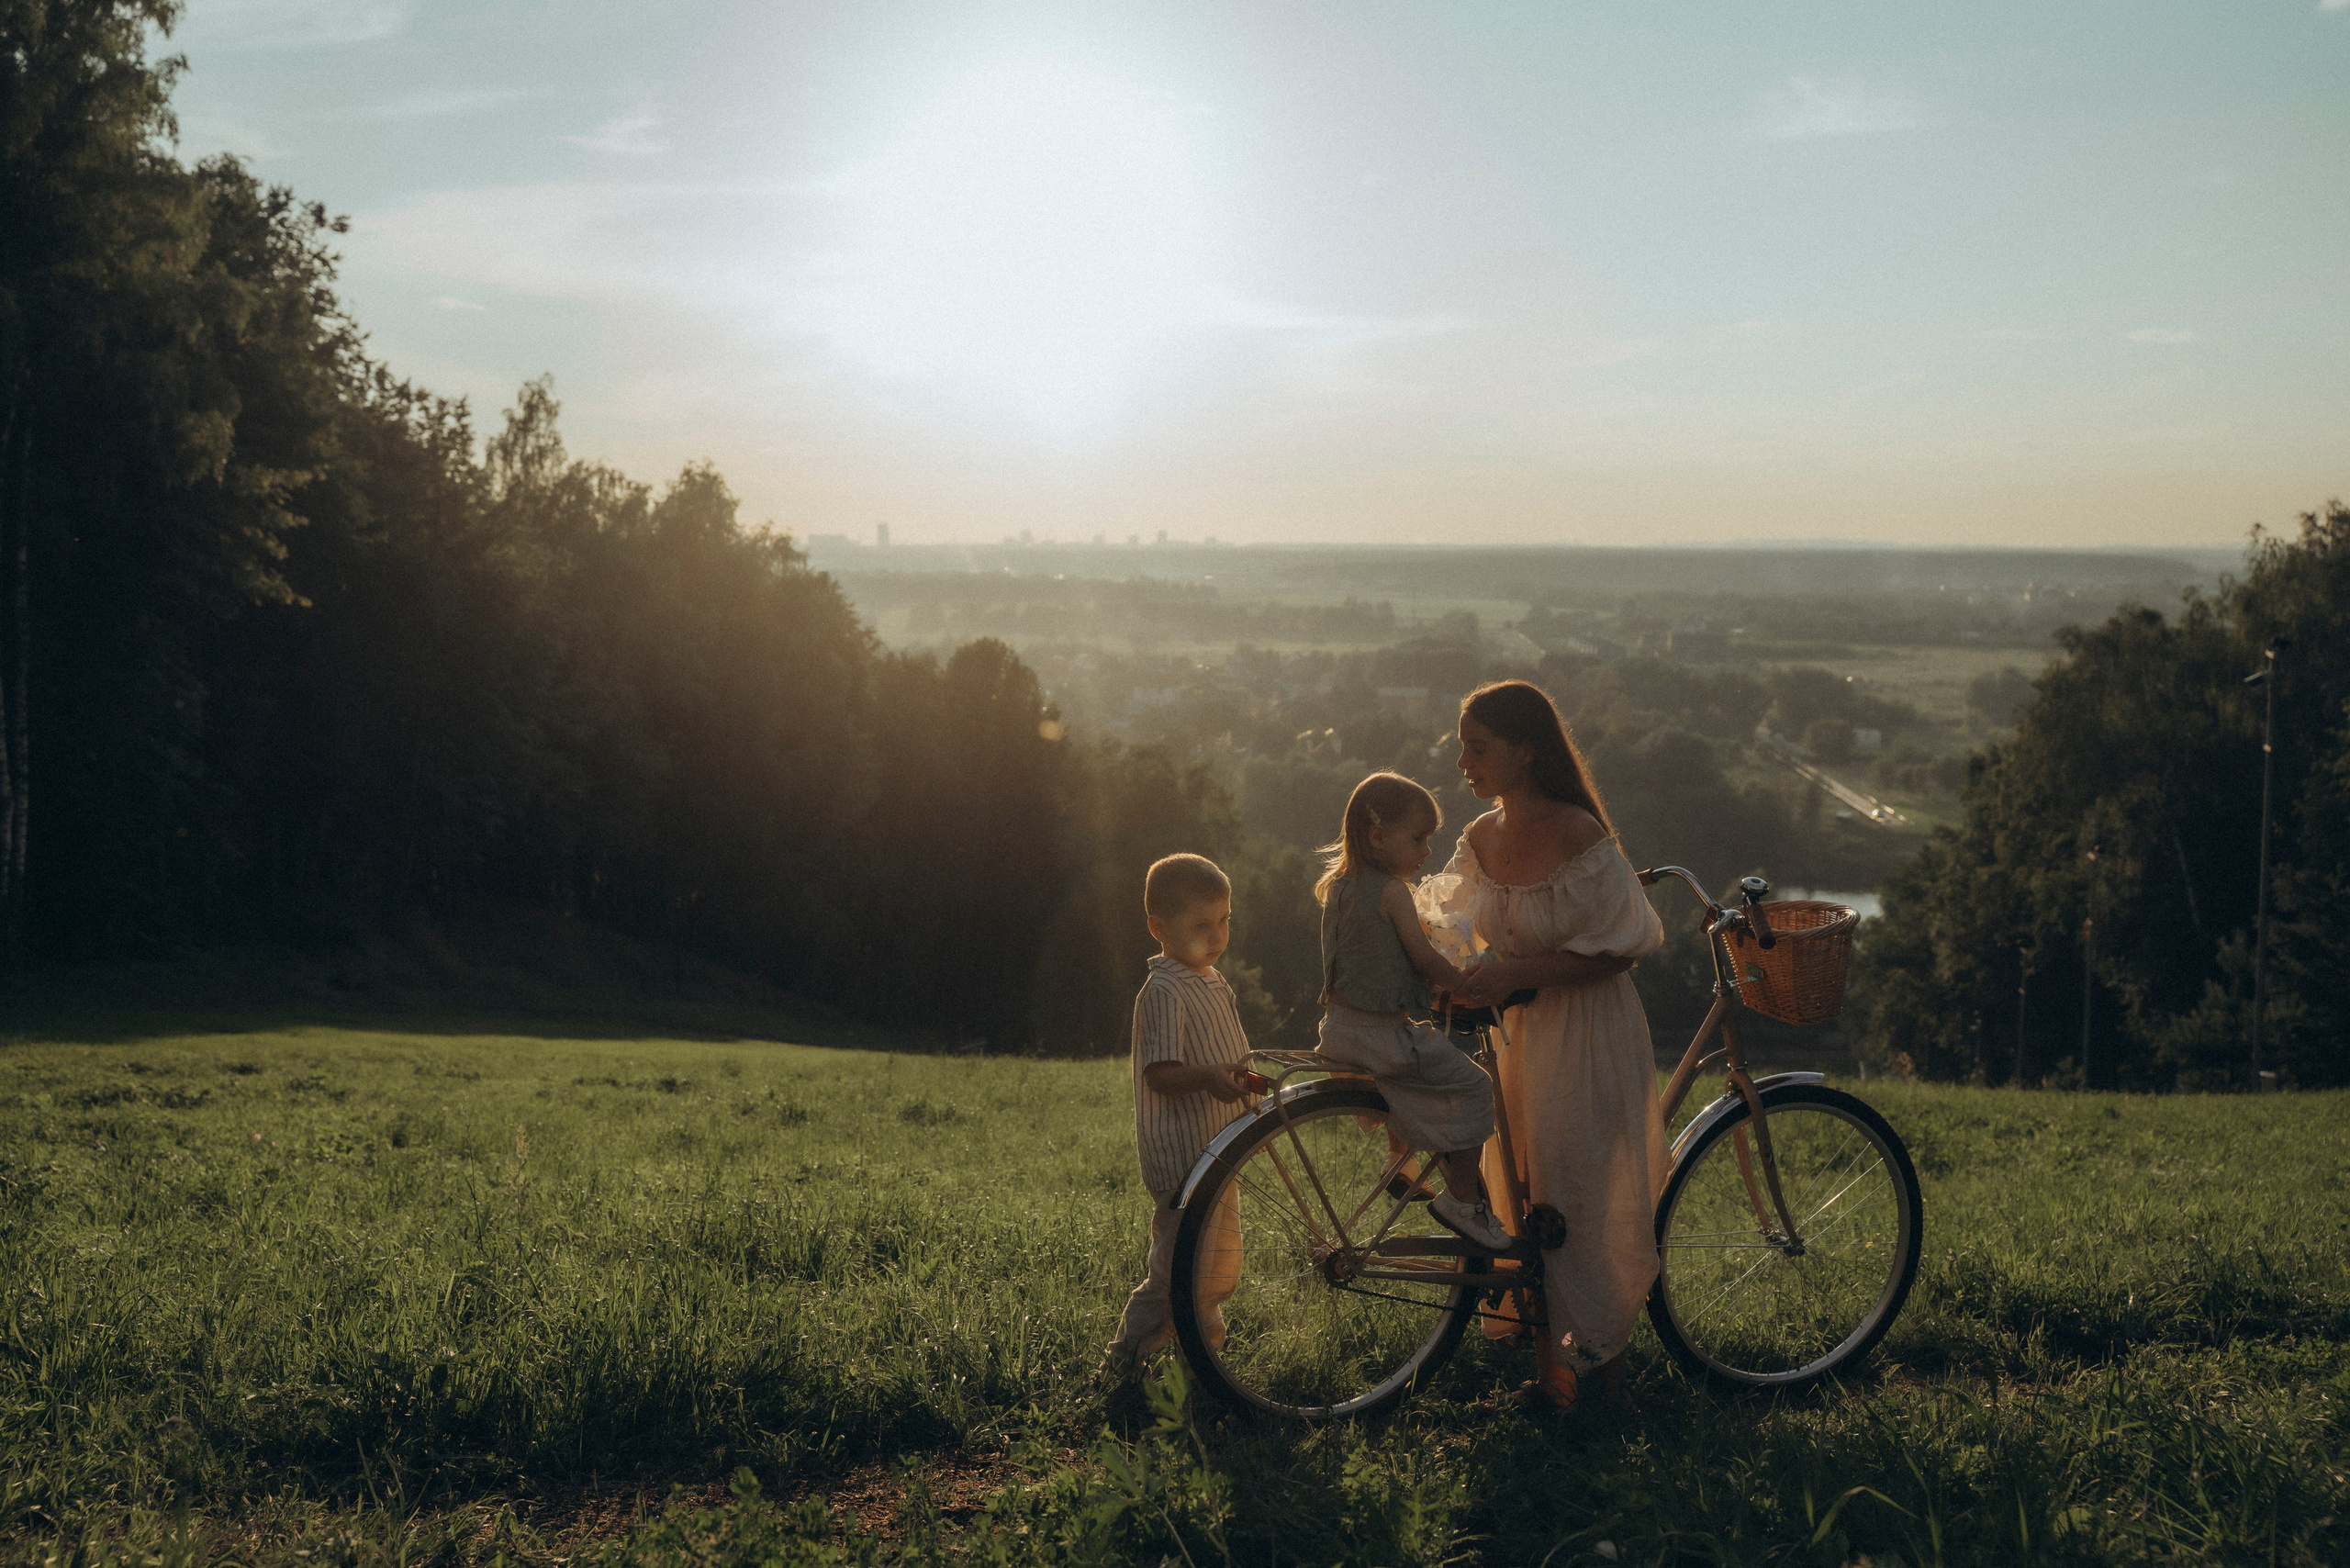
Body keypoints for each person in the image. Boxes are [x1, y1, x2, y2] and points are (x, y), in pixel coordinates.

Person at [1427, 679, 1665, 1411]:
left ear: (1526, 753)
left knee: (1580, 1203)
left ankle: (1601, 1381)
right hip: (1519, 1038)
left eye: (1479, 747)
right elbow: (1449, 930)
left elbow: (1619, 951)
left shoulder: (1579, 835)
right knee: (1527, 1199)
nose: (1463, 761)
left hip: (1588, 1033)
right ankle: (1553, 1377)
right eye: (1460, 746)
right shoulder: (1479, 839)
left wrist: (1512, 974)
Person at [1314, 772, 1513, 1252]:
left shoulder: (1338, 887)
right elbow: (1422, 956)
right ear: (1378, 837)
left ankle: (1397, 1162)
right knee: (1472, 1085)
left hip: (1338, 1031)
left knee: (1411, 1083)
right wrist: (1465, 983)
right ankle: (1462, 1200)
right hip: (1384, 1036)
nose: (1427, 851)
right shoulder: (1392, 892)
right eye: (1419, 839)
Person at [1099, 853, 1252, 1384]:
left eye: (1224, 920)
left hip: (1221, 1150)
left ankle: (1200, 1364)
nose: (1216, 935)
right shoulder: (1162, 990)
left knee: (1215, 1267)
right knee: (1174, 1273)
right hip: (1185, 1159)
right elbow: (1160, 1074)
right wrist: (1210, 1075)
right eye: (1201, 925)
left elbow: (1226, 1051)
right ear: (1158, 929)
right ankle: (1125, 1365)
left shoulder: (1211, 980)